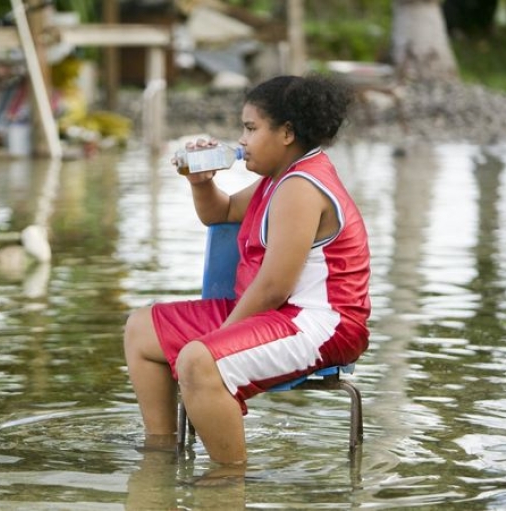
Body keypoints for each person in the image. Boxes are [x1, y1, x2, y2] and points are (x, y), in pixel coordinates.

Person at [124, 74, 371, 465]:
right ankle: (160, 458)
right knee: (141, 329)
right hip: (276, 314)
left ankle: (227, 484)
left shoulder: (301, 188)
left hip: (320, 325)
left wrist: (217, 340)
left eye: (251, 128)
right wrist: (200, 182)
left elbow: (274, 286)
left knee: (198, 359)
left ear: (287, 132)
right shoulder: (278, 179)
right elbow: (220, 213)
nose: (241, 140)